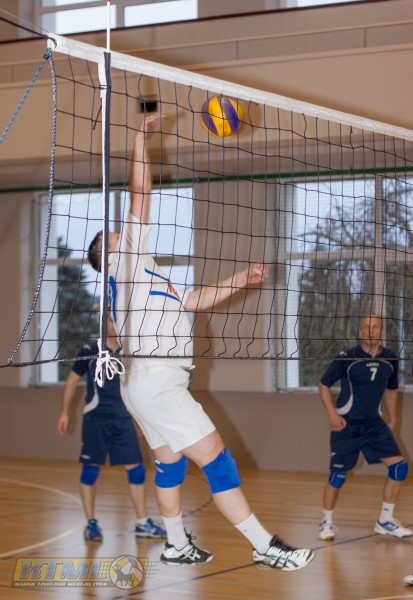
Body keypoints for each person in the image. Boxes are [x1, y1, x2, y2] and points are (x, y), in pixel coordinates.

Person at [87, 112, 315, 570]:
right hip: (155, 381)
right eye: (115, 236)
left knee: (171, 465)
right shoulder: (124, 261)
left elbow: (192, 300)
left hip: (145, 383)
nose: (123, 234)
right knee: (218, 461)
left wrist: (242, 279)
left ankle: (176, 544)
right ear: (107, 252)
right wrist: (141, 141)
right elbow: (140, 194)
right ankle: (264, 545)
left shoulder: (143, 276)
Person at [57, 315, 166, 542]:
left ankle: (142, 523)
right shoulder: (90, 350)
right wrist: (65, 412)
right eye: (110, 320)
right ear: (103, 323)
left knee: (136, 470)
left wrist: (139, 419)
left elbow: (136, 388)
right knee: (90, 471)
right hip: (96, 419)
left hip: (123, 420)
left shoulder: (130, 352)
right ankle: (91, 524)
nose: (115, 324)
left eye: (118, 320)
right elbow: (71, 381)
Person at [318, 314, 411, 541]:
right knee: (338, 476)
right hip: (346, 426)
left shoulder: (390, 358)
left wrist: (392, 418)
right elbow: (323, 384)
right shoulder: (347, 357)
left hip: (374, 425)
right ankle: (326, 522)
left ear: (381, 331)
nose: (371, 331)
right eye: (366, 327)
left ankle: (385, 520)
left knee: (399, 468)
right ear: (360, 332)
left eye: (375, 327)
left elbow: (391, 389)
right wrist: (332, 414)